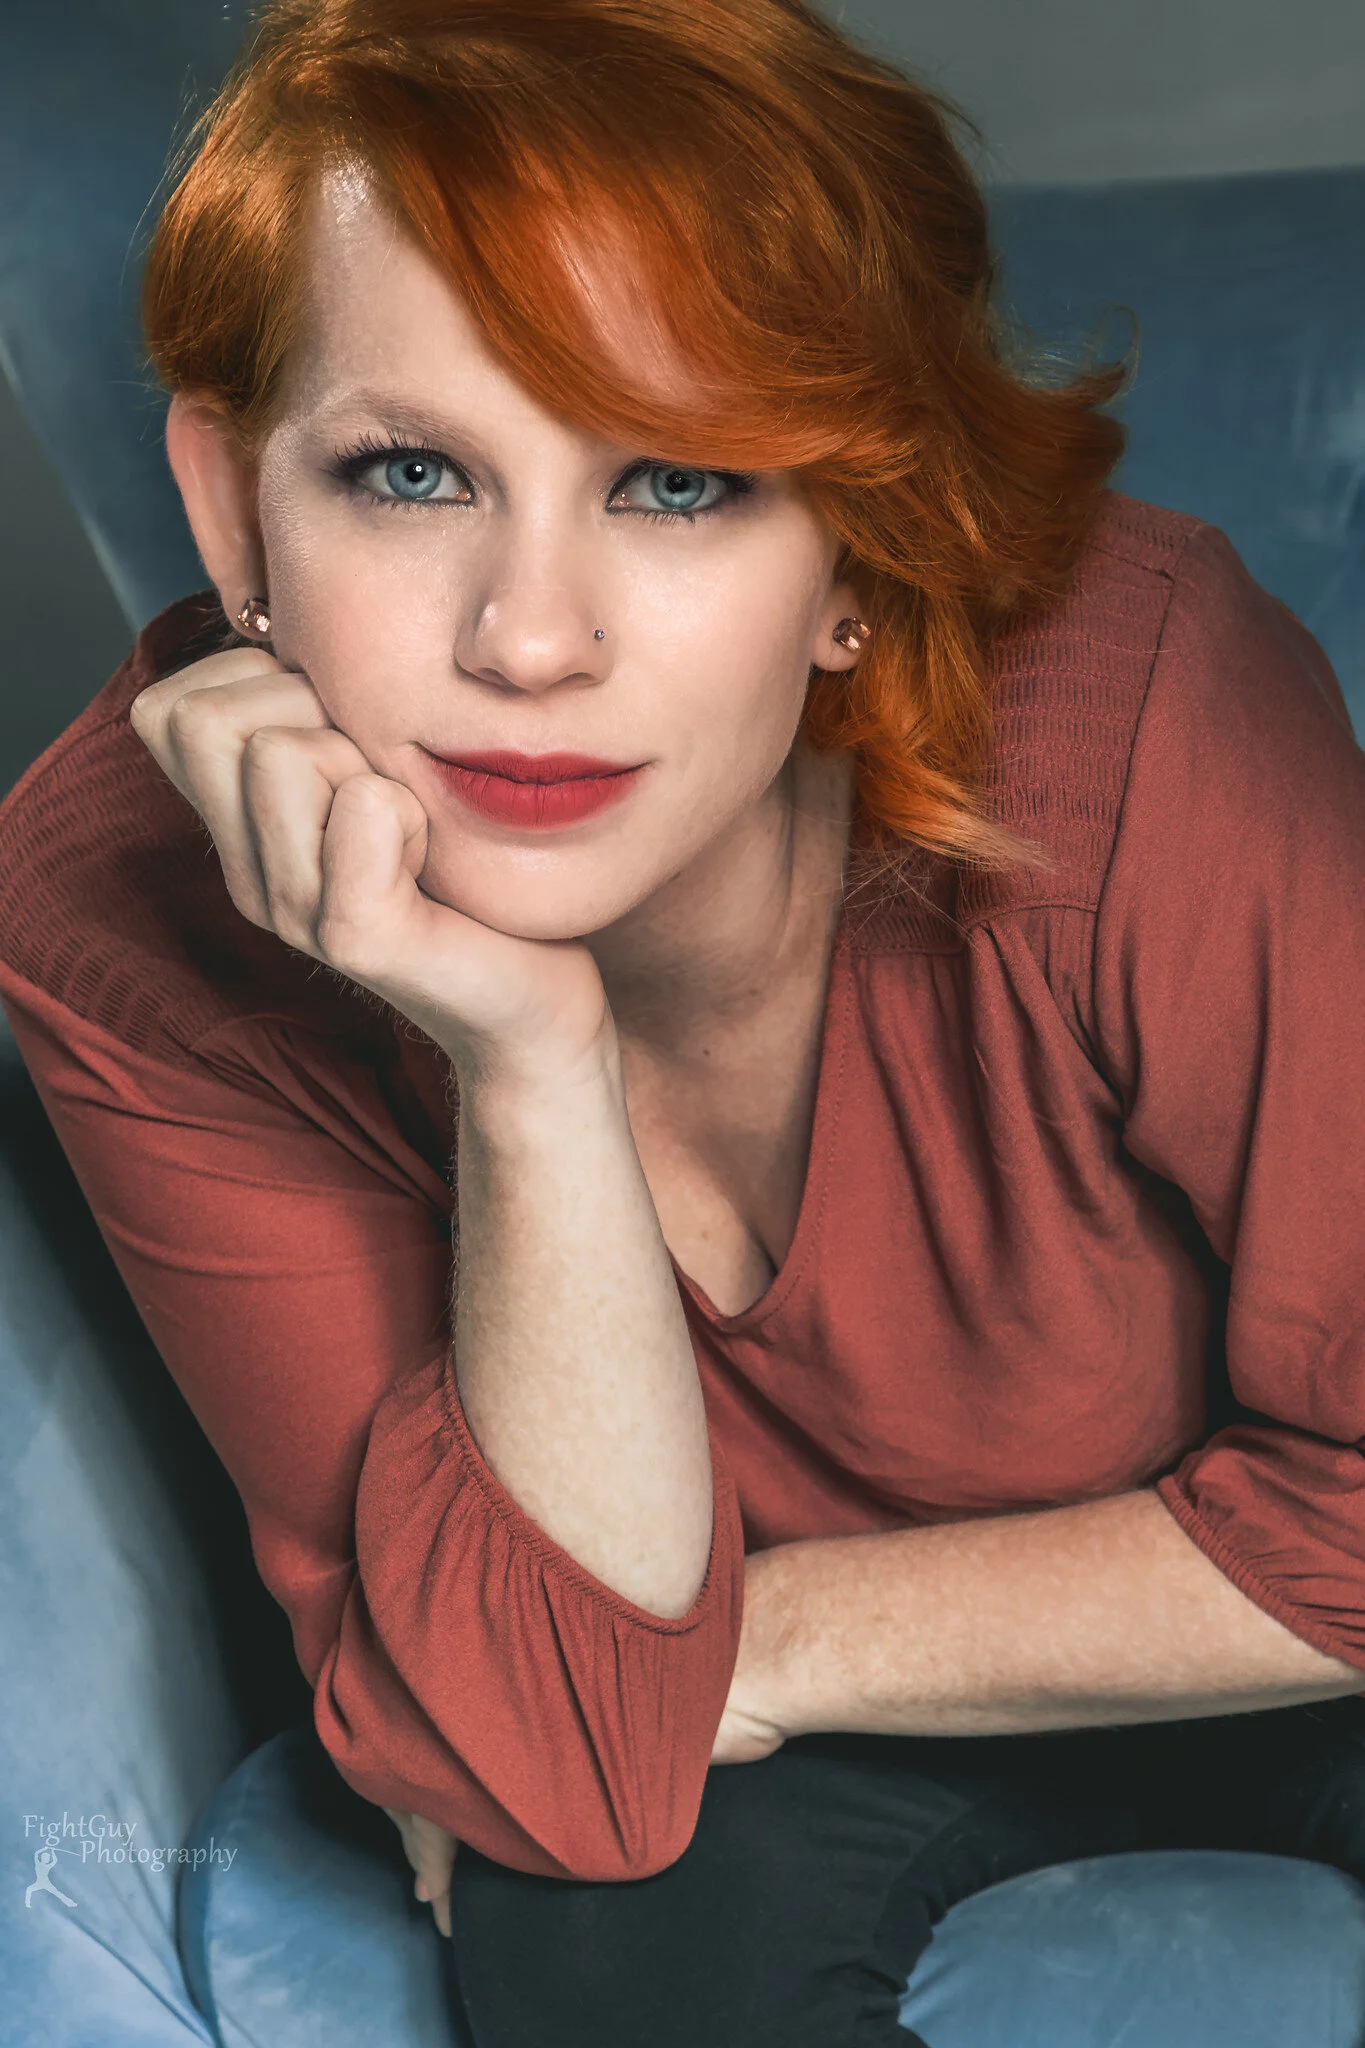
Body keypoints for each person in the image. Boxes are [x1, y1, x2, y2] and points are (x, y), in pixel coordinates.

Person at [1, 1, 1364, 2043]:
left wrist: (765, 1641)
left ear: (860, 540)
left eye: (678, 479)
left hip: (1264, 1644)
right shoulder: (123, 894)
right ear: (233, 513)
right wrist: (529, 1060)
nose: (530, 639)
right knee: (591, 1936)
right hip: (731, 1768)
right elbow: (552, 1759)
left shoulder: (1145, 716)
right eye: (408, 473)